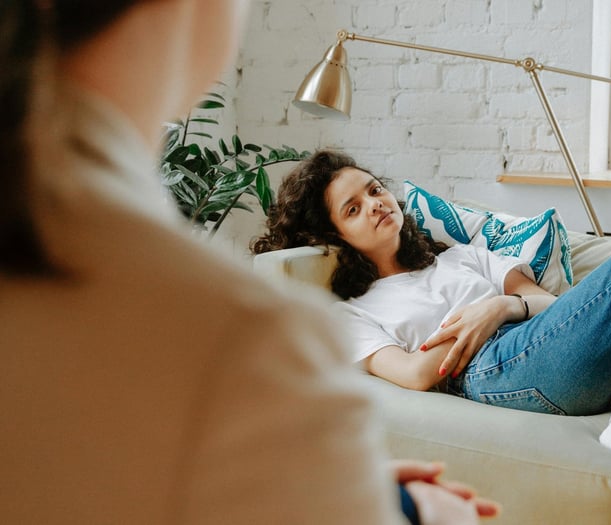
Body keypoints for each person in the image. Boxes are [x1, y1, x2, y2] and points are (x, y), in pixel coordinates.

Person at [0, 2, 499, 524]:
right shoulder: (243, 338)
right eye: (353, 206)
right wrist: (429, 515)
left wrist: (338, 485)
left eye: (374, 192)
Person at [252, 149, 611, 525]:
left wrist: (500, 305)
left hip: (543, 334)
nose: (376, 204)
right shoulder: (353, 312)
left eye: (375, 190)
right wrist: (472, 322)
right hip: (493, 370)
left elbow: (551, 307)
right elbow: (414, 373)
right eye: (354, 209)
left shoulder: (461, 256)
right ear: (336, 237)